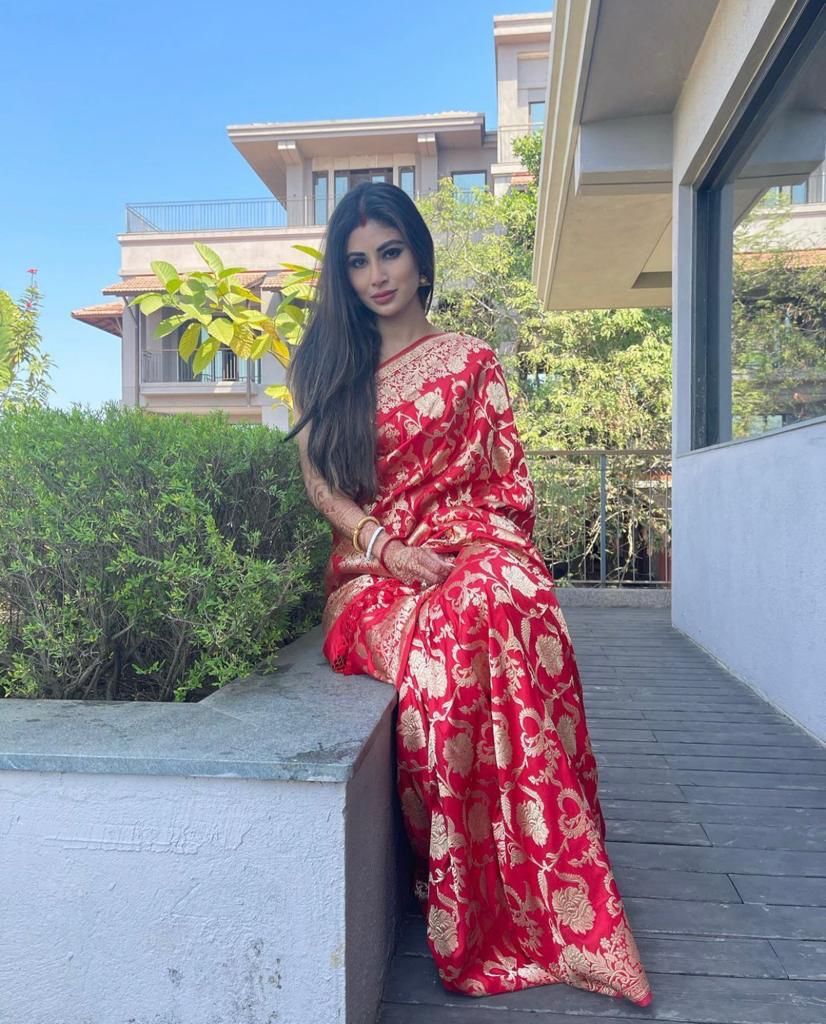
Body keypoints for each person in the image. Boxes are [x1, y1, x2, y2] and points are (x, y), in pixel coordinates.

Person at [284, 181, 652, 1007]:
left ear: (419, 258)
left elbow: (504, 487)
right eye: (357, 262)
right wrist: (389, 547)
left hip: (469, 543)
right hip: (371, 576)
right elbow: (322, 491)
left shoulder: (472, 360)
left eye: (390, 253)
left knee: (511, 598)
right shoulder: (325, 368)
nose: (377, 275)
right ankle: (467, 899)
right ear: (343, 276)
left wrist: (462, 546)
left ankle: (553, 877)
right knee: (447, 656)